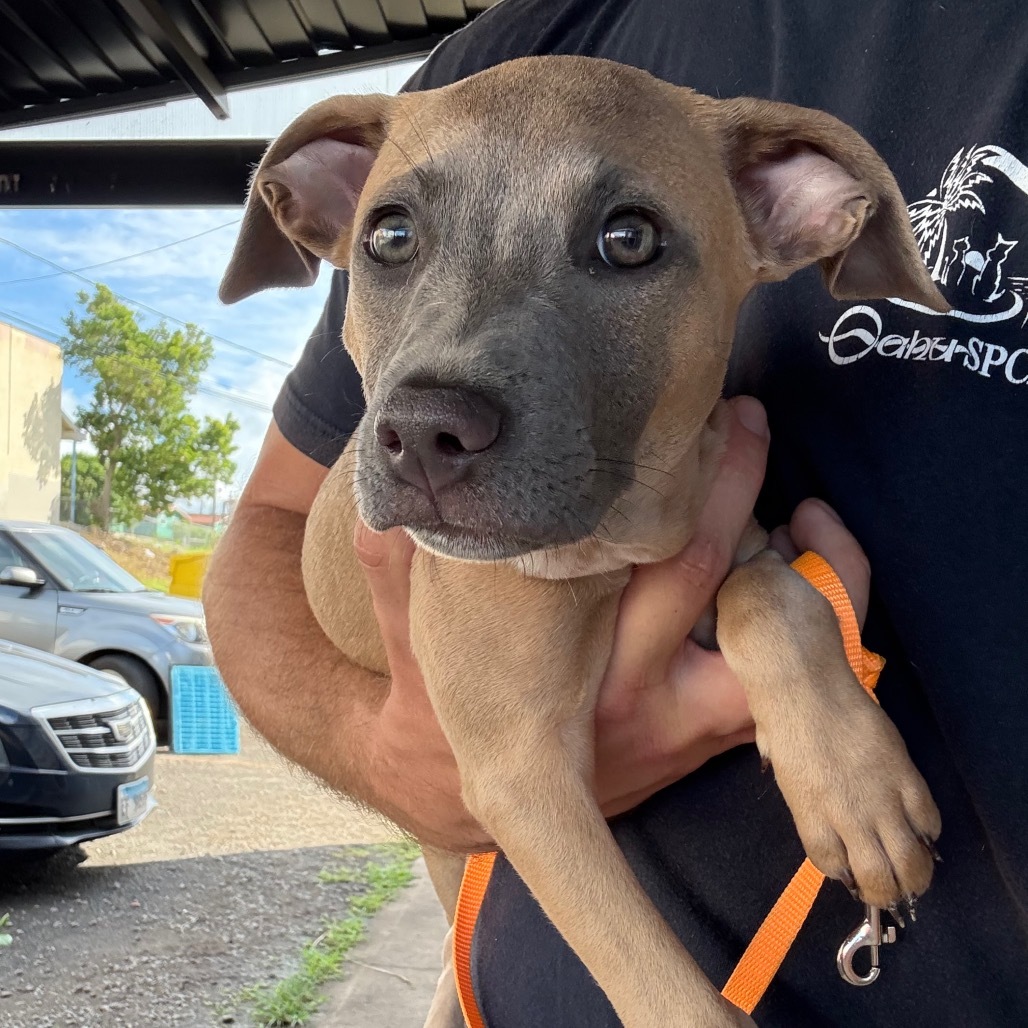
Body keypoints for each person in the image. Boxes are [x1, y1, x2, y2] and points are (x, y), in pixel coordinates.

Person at [204, 1, 1028, 1023]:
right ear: (322, 207)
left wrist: (782, 636)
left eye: (623, 239)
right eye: (397, 233)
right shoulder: (480, 67)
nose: (431, 412)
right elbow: (274, 531)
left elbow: (727, 555)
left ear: (793, 209)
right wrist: (387, 753)